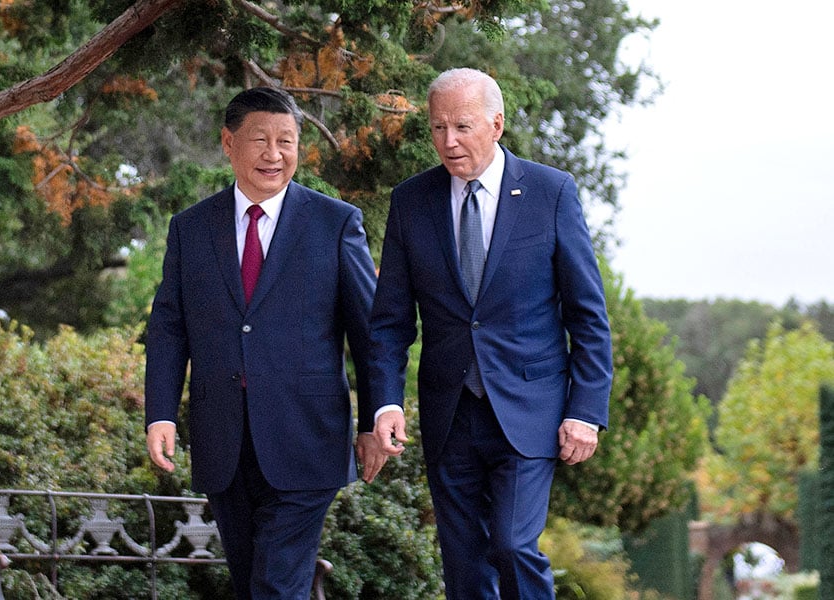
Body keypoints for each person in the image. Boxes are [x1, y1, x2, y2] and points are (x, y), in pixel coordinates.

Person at [367, 68, 614, 599]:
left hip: (530, 406)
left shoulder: (551, 193)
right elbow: (389, 321)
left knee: (511, 543)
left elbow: (587, 314)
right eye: (437, 128)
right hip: (448, 411)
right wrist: (385, 402)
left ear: (496, 124)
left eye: (462, 125)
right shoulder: (412, 202)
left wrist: (586, 410)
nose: (449, 141)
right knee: (464, 566)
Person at [145, 86, 384, 599]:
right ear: (228, 144)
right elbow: (169, 327)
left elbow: (370, 332)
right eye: (260, 140)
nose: (274, 155)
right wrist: (160, 413)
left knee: (276, 584)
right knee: (254, 583)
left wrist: (375, 418)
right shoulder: (190, 229)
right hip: (223, 440)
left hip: (309, 439)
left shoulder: (336, 223)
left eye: (287, 141)